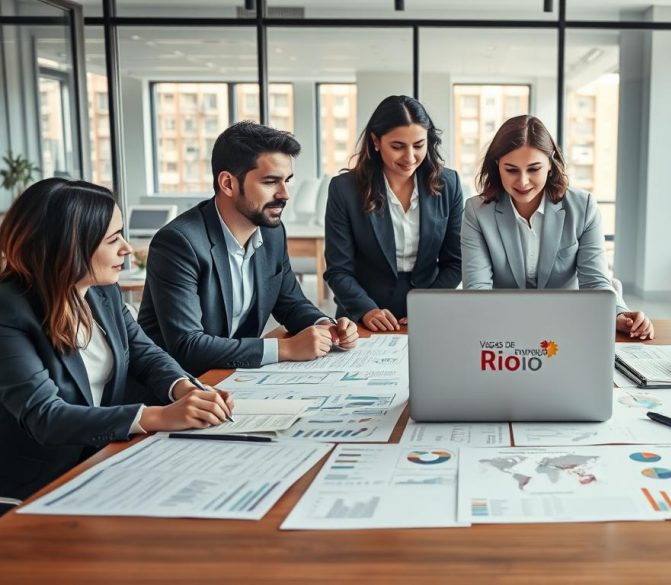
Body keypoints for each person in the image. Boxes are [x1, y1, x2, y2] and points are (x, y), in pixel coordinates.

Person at [0, 179, 234, 502]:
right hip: (35, 488)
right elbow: (46, 417)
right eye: (113, 239)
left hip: (101, 461)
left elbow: (143, 353)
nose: (126, 248)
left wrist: (186, 388)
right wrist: (158, 416)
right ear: (68, 248)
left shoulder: (101, 290)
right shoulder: (9, 310)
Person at [137, 121, 359, 375]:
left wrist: (327, 326)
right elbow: (187, 346)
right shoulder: (179, 243)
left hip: (234, 377)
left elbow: (291, 303)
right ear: (228, 184)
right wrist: (284, 349)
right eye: (270, 182)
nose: (284, 194)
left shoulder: (272, 232)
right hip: (177, 389)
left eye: (287, 181)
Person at [462, 115, 653, 340]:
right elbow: (477, 290)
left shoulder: (583, 207)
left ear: (551, 164)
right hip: (503, 328)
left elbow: (595, 282)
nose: (523, 182)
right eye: (511, 170)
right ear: (497, 166)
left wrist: (619, 314)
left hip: (567, 328)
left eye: (534, 169)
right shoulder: (477, 211)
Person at [324, 95, 463, 331]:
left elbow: (456, 262)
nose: (409, 157)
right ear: (376, 141)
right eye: (397, 146)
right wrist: (366, 310)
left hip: (428, 311)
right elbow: (338, 270)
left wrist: (427, 305)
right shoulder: (345, 189)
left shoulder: (448, 183)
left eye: (418, 145)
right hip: (363, 315)